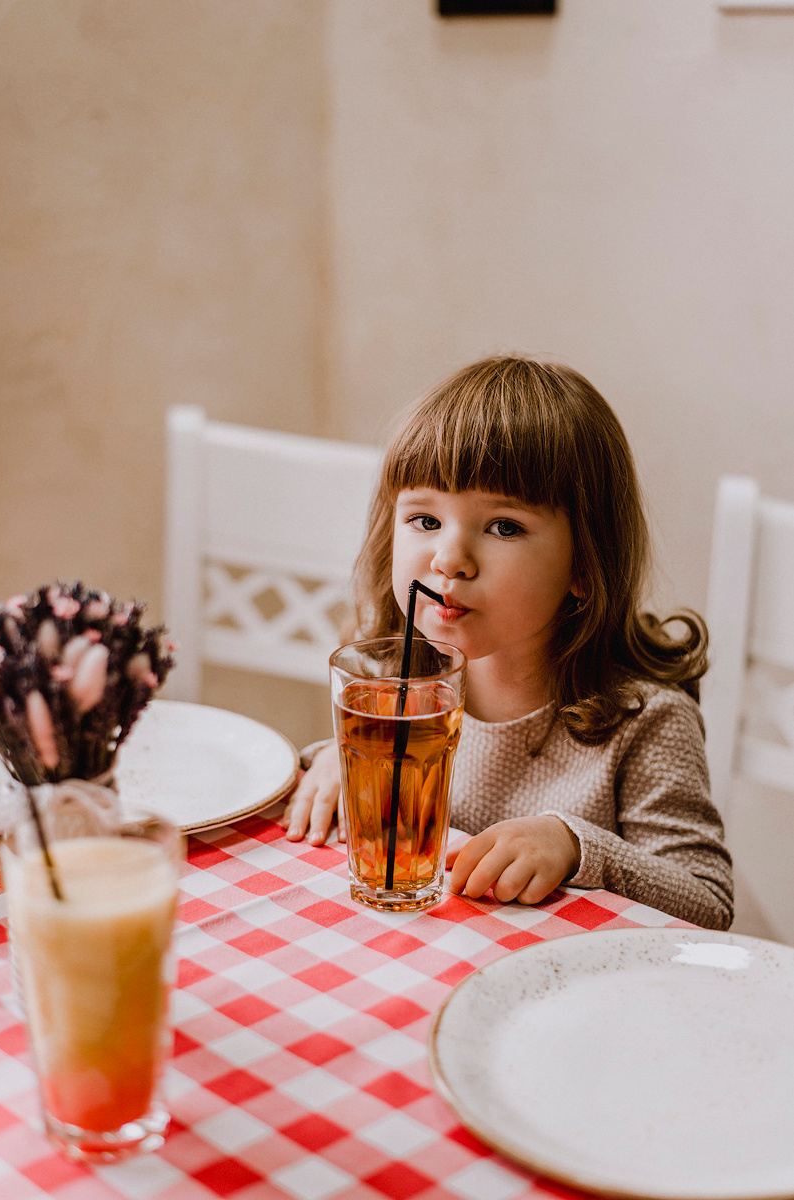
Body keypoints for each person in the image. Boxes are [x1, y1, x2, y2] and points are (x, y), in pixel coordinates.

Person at [281, 357, 733, 930]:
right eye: (425, 521)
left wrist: (575, 846)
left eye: (504, 527)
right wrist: (329, 760)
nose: (449, 559)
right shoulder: (397, 680)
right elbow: (381, 774)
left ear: (584, 563)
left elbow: (708, 903)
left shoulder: (646, 722)